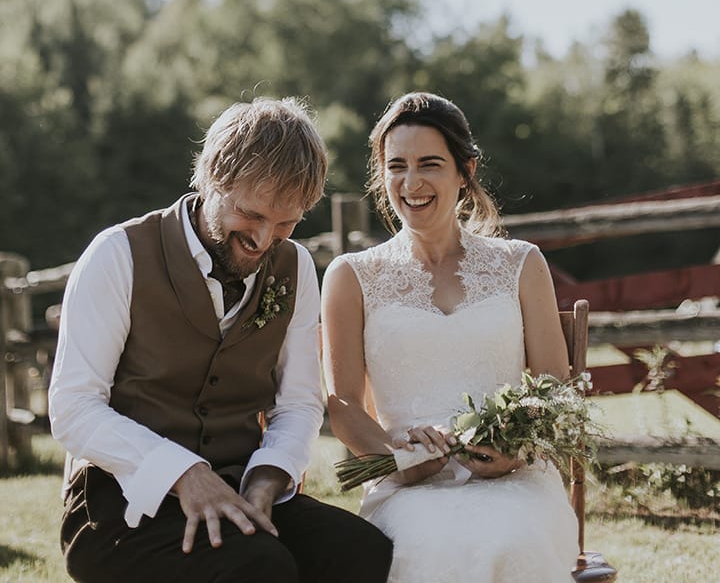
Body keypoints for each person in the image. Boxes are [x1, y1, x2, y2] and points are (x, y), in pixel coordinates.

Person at [49, 96, 392, 583]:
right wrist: (184, 475)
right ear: (211, 178)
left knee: (358, 551)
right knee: (258, 568)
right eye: (250, 215)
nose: (263, 240)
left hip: (242, 486)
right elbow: (73, 408)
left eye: (286, 223)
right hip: (123, 502)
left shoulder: (296, 269)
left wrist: (265, 481)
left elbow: (297, 403)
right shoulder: (117, 255)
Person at [321, 92, 579, 583]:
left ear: (466, 171)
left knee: (511, 540)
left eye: (430, 164)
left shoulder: (521, 264)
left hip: (517, 480)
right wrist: (395, 461)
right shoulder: (351, 276)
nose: (411, 182)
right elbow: (345, 405)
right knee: (425, 546)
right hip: (407, 488)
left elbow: (556, 389)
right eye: (396, 166)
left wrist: (514, 450)